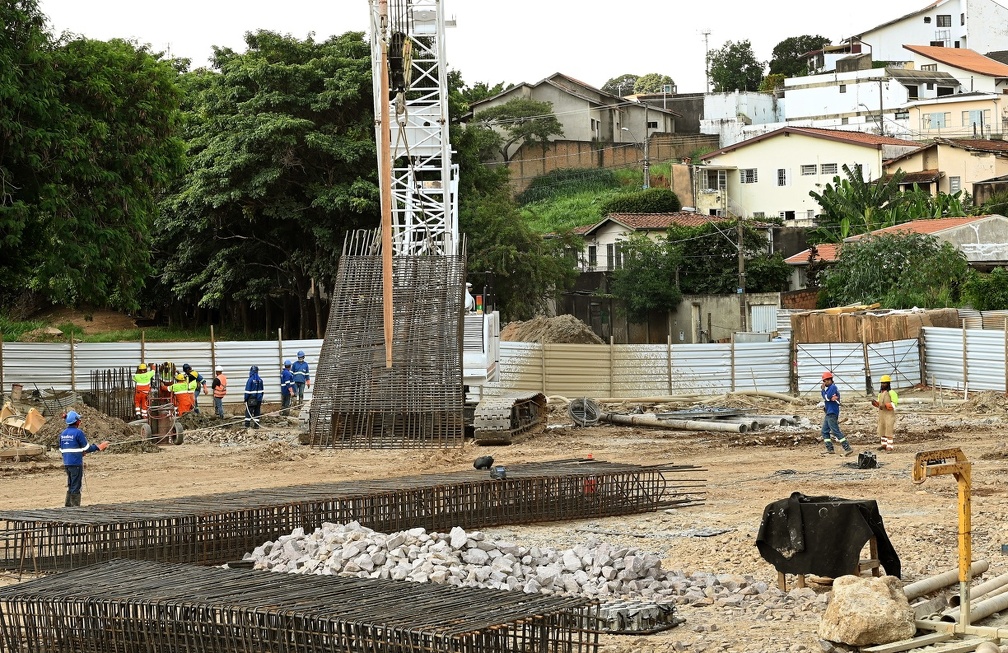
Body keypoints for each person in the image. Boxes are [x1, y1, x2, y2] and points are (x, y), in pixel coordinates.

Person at [59, 410, 109, 507]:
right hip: (76, 464)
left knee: (71, 484)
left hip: (67, 464)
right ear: (76, 421)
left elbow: (63, 449)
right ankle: (75, 509)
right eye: (79, 420)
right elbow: (87, 448)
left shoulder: (63, 434)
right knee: (76, 486)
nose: (80, 421)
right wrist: (99, 447)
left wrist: (78, 453)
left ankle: (68, 507)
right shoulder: (78, 433)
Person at [819, 371, 853, 456]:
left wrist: (823, 391)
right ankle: (830, 449)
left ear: (831, 380)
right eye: (824, 381)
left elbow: (827, 397)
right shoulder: (829, 389)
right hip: (829, 413)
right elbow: (828, 398)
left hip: (832, 413)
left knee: (835, 431)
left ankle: (847, 448)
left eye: (827, 380)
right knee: (824, 431)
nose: (825, 382)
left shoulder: (833, 387)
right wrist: (827, 397)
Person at [872, 374, 899, 452]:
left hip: (889, 415)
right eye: (882, 383)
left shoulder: (891, 392)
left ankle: (889, 446)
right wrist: (875, 404)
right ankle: (884, 445)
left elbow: (895, 403)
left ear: (888, 384)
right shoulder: (880, 394)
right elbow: (879, 404)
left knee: (889, 430)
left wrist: (886, 405)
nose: (883, 384)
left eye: (885, 383)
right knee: (882, 430)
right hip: (882, 415)